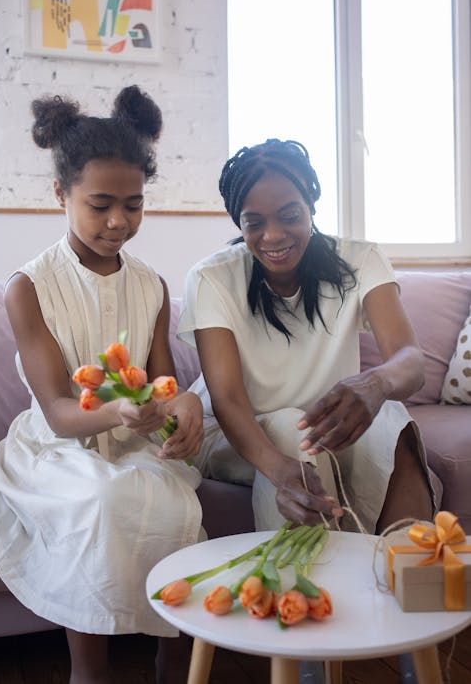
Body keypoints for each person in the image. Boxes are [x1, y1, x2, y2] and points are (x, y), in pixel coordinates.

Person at [0, 86, 204, 684]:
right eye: (100, 204)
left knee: (174, 501)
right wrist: (115, 415)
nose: (119, 221)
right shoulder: (30, 286)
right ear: (61, 194)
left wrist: (176, 405)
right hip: (59, 443)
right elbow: (55, 409)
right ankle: (89, 669)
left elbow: (159, 382)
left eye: (133, 204)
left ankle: (172, 658)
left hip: (132, 437)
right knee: (99, 500)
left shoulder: (151, 286)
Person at [178, 138, 435, 536]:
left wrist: (376, 382)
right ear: (239, 223)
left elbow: (410, 359)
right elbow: (227, 400)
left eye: (289, 215)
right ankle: (307, 591)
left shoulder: (360, 260)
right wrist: (281, 472)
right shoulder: (212, 278)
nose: (273, 235)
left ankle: (406, 567)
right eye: (254, 223)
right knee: (289, 428)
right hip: (237, 434)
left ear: (311, 206)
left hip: (323, 427)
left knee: (390, 416)